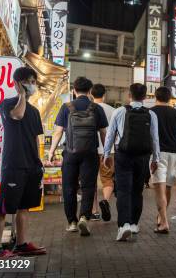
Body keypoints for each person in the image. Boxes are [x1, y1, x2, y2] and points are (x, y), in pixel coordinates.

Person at [0, 67, 46, 258]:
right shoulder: (7, 104)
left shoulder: (34, 111)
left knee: (25, 206)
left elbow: (35, 138)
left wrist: (39, 162)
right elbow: (17, 115)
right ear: (17, 83)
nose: (32, 85)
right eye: (28, 81)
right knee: (3, 208)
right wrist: (21, 95)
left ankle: (22, 244)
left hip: (31, 166)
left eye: (33, 81)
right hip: (13, 164)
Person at [48, 77, 108, 236]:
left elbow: (58, 132)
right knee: (88, 187)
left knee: (69, 187)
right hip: (90, 153)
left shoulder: (66, 107)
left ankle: (72, 222)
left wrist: (51, 151)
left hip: (70, 152)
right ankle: (84, 217)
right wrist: (107, 153)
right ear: (90, 91)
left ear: (74, 90)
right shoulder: (96, 108)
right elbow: (104, 133)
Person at [103, 83, 160, 241]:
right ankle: (134, 223)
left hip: (123, 155)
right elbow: (155, 139)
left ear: (129, 95)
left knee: (123, 190)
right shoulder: (151, 114)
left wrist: (107, 154)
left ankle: (124, 225)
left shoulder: (119, 111)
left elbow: (110, 135)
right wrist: (156, 159)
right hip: (142, 156)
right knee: (137, 190)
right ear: (144, 97)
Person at [150, 87, 176, 233]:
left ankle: (164, 222)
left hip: (157, 154)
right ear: (169, 97)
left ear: (156, 96)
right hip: (174, 154)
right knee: (167, 187)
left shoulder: (150, 112)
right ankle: (161, 218)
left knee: (159, 189)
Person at [90, 84, 115, 222]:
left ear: (91, 95)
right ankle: (105, 200)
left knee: (92, 181)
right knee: (107, 179)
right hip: (108, 151)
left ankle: (94, 211)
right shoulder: (113, 110)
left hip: (91, 150)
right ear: (104, 95)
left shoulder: (89, 109)